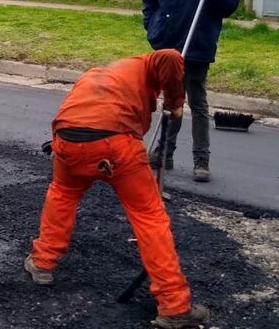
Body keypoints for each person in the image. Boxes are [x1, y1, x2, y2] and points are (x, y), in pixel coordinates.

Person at [25, 50, 209, 329]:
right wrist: (174, 102)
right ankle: (174, 305)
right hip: (115, 144)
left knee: (62, 194)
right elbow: (170, 56)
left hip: (66, 140)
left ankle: (42, 263)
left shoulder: (98, 75)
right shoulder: (148, 62)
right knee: (149, 216)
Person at [142, 0, 239, 182]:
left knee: (197, 104)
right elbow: (150, 1)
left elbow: (228, 7)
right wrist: (153, 29)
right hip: (168, 48)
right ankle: (164, 153)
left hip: (197, 47)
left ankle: (201, 161)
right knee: (171, 101)